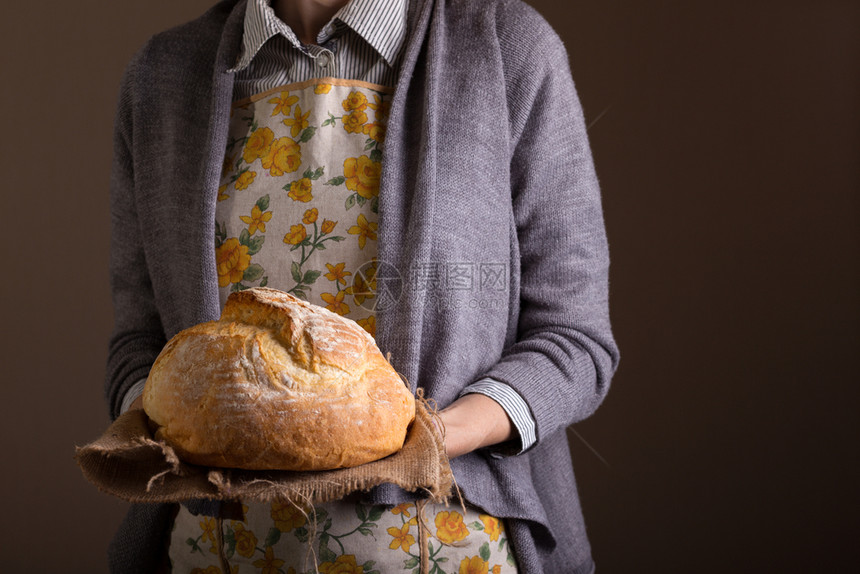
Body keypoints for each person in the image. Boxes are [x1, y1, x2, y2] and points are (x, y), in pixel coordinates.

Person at [105, 0, 619, 572]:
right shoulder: (161, 76)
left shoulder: (506, 48)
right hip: (215, 556)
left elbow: (574, 339)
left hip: (448, 553)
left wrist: (428, 440)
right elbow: (138, 346)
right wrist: (176, 423)